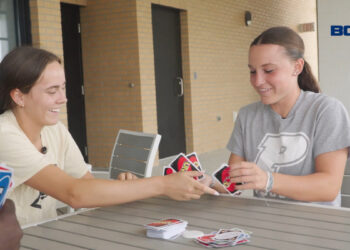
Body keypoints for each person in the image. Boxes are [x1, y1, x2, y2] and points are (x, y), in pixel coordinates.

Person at [0, 46, 218, 225]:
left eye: (64, 88)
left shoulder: (54, 130)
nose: (63, 99)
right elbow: (75, 194)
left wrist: (129, 188)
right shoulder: (4, 135)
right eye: (52, 91)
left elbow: (86, 185)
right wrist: (162, 184)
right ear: (19, 96)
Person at [226, 26, 350, 206]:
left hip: (318, 227)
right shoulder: (247, 115)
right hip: (269, 224)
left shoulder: (327, 110)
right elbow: (232, 180)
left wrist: (268, 180)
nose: (258, 81)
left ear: (297, 67)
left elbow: (328, 188)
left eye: (268, 70)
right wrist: (206, 182)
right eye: (252, 71)